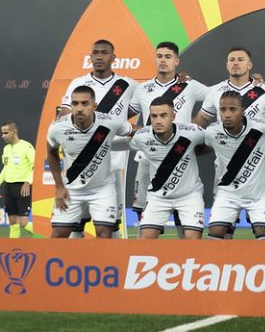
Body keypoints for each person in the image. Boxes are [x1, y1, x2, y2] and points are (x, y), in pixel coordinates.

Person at [194, 46, 265, 238]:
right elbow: (199, 125)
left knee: (261, 234)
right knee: (224, 230)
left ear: (250, 64)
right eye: (232, 59)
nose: (236, 62)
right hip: (225, 167)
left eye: (240, 59)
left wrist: (262, 150)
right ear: (226, 64)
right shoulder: (215, 91)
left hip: (255, 168)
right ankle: (227, 267)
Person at [60, 39, 138, 238]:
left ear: (113, 58)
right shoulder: (78, 83)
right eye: (95, 52)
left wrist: (180, 79)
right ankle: (73, 266)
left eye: (104, 52)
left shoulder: (128, 85)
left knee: (110, 225)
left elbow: (155, 95)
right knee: (76, 225)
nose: (99, 56)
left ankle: (114, 266)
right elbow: (64, 116)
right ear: (91, 56)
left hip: (112, 165)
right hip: (82, 164)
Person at [129, 42, 207, 235]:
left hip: (180, 155)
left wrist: (196, 124)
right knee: (143, 212)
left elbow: (218, 96)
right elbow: (125, 117)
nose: (163, 60)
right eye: (159, 56)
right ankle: (145, 254)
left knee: (185, 219)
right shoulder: (142, 88)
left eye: (168, 56)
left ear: (177, 61)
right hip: (149, 157)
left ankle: (185, 259)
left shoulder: (189, 85)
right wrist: (143, 131)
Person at [47, 86, 133, 238]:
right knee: (58, 235)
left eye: (85, 103)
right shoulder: (57, 128)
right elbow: (52, 153)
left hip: (102, 189)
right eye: (75, 103)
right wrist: (59, 186)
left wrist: (162, 132)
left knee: (104, 233)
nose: (79, 108)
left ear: (94, 105)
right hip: (71, 189)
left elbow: (134, 130)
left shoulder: (110, 122)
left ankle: (101, 262)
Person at [205, 91, 265, 240]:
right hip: (228, 194)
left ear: (242, 111)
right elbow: (197, 148)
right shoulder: (212, 132)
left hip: (259, 196)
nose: (227, 114)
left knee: (263, 237)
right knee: (213, 239)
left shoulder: (263, 127)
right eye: (223, 109)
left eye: (232, 109)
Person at [128, 97, 208, 239]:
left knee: (193, 242)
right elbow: (121, 144)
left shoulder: (192, 132)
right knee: (144, 241)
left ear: (173, 116)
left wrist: (192, 151)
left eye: (163, 115)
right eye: (154, 116)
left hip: (189, 196)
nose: (158, 121)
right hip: (158, 197)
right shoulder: (141, 137)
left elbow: (214, 143)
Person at [0, 121, 35, 238]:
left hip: (23, 188)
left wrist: (28, 182)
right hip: (9, 188)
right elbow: (5, 168)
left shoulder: (26, 146)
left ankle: (49, 238)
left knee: (23, 223)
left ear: (14, 132)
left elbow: (37, 166)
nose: (3, 136)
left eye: (6, 133)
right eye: (2, 133)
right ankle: (12, 247)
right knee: (13, 222)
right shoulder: (6, 149)